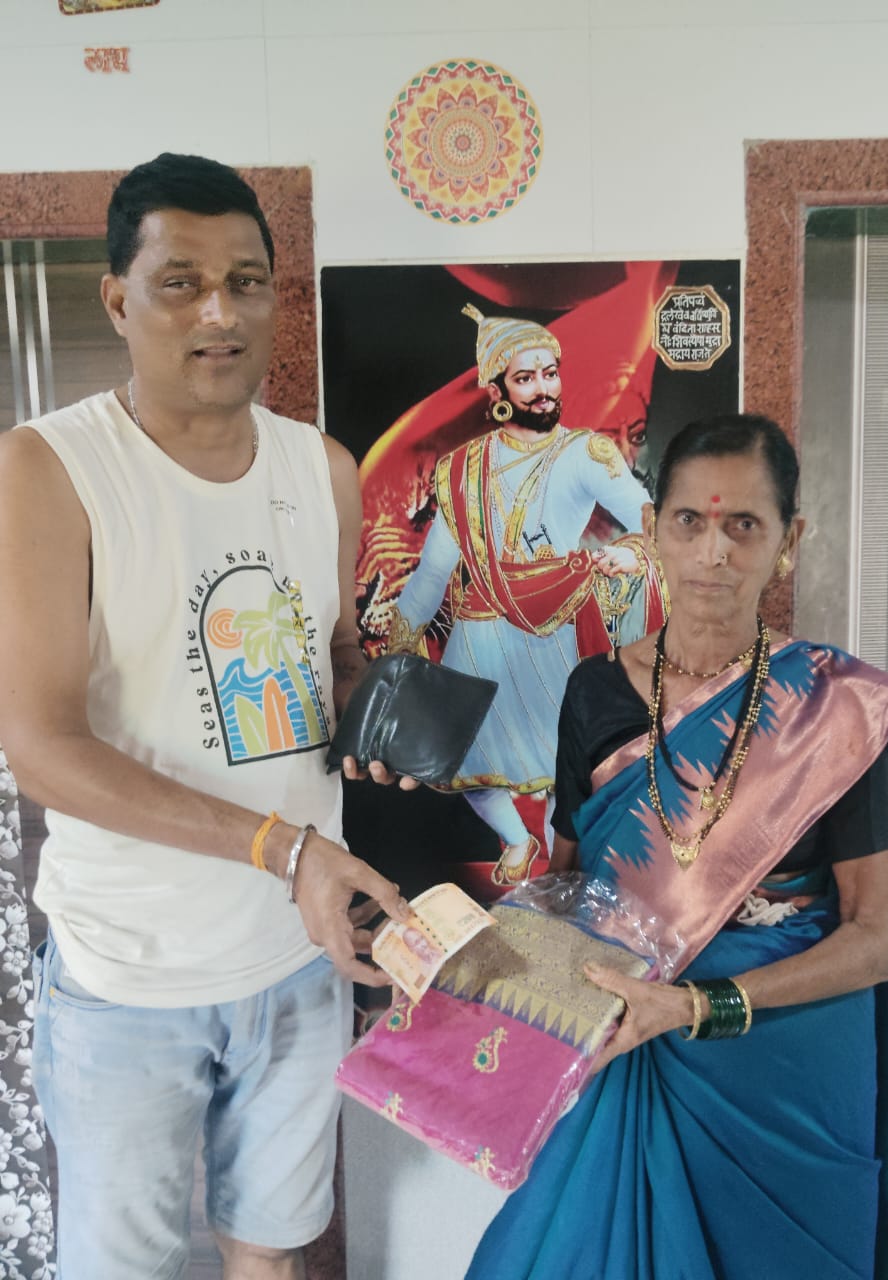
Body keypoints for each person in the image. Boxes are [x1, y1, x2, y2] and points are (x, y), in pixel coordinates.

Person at [0, 153, 412, 1280]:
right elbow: (41, 746)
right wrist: (286, 848)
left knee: (271, 1254)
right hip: (127, 976)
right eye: (180, 282)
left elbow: (332, 653)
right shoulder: (49, 469)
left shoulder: (321, 468)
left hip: (296, 955)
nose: (220, 312)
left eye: (247, 281)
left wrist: (380, 715)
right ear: (116, 300)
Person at [467, 414, 888, 1280]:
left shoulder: (835, 712)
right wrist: (469, 965)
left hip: (789, 1068)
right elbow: (569, 888)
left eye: (743, 525)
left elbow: (877, 940)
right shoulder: (592, 691)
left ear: (787, 541)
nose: (712, 552)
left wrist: (697, 1006)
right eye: (689, 521)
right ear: (651, 529)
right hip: (629, 1046)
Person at [388, 305, 665, 884]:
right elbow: (435, 569)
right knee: (464, 762)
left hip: (553, 629)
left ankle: (559, 871)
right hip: (478, 635)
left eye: (550, 373)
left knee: (564, 767)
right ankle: (516, 840)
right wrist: (400, 640)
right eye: (525, 377)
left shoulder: (583, 454)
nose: (543, 389)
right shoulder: (462, 468)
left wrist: (633, 553)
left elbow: (653, 520)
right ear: (496, 390)